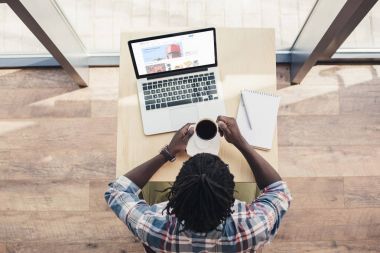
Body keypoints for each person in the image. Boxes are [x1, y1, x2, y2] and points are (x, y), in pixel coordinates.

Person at [105, 116, 292, 252]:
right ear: (230, 197)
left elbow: (117, 191)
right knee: (251, 186)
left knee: (150, 187)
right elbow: (279, 191)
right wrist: (241, 143)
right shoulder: (254, 228)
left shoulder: (152, 227)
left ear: (176, 190)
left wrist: (168, 153)